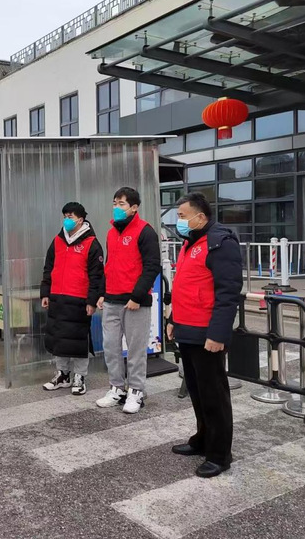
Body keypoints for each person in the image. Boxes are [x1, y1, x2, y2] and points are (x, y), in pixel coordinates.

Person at [166, 192, 243, 478]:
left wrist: (218, 334)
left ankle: (220, 454)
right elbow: (185, 286)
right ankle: (203, 439)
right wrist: (173, 319)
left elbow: (228, 292)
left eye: (182, 216)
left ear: (200, 217)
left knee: (214, 395)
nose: (179, 221)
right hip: (187, 329)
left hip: (207, 333)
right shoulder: (191, 242)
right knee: (197, 392)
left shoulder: (220, 243)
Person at [96, 187, 162, 414]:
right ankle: (116, 388)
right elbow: (109, 265)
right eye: (115, 203)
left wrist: (137, 296)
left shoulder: (145, 231)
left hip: (135, 302)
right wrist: (102, 293)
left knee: (135, 350)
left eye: (121, 204)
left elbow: (152, 266)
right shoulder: (111, 232)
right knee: (111, 347)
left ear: (134, 207)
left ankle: (136, 391)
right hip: (111, 299)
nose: (116, 207)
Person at [40, 202, 104, 396]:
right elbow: (48, 268)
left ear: (81, 220)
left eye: (71, 217)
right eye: (65, 216)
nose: (67, 220)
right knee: (58, 338)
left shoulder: (92, 243)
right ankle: (62, 374)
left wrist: (92, 301)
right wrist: (45, 292)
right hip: (57, 298)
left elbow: (97, 276)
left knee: (78, 340)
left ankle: (80, 376)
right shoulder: (58, 241)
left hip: (79, 300)